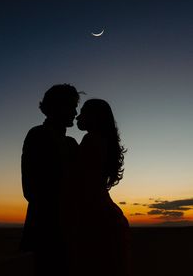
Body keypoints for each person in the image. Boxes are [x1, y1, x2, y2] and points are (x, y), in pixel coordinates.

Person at [20, 83, 80, 276]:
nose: (75, 112)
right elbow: (31, 188)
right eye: (71, 106)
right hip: (47, 229)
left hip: (68, 228)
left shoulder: (71, 143)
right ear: (56, 107)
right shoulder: (38, 135)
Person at [74, 98, 132, 276]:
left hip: (96, 215)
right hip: (105, 212)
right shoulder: (104, 141)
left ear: (94, 117)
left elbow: (81, 181)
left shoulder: (91, 139)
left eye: (83, 112)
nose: (78, 116)